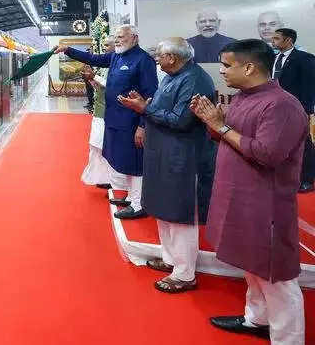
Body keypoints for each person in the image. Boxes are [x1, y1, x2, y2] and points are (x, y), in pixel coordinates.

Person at [190, 39, 306, 345]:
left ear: (250, 67)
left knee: (276, 278)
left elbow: (268, 154)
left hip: (264, 203)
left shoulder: (281, 105)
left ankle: (288, 339)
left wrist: (222, 127)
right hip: (238, 196)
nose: (223, 71)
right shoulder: (244, 97)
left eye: (228, 65)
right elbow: (231, 138)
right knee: (252, 267)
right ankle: (256, 319)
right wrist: (213, 124)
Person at [118, 38, 216, 294]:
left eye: (159, 56)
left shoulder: (195, 79)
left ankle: (184, 274)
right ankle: (171, 260)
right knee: (164, 210)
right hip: (163, 154)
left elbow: (181, 120)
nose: (157, 60)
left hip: (182, 158)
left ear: (172, 58)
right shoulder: (173, 76)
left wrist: (144, 109)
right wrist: (145, 105)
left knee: (180, 215)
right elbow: (162, 109)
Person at [56, 25, 158, 219]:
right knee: (122, 161)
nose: (117, 40)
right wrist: (67, 50)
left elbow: (150, 96)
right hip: (114, 120)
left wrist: (142, 126)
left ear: (134, 37)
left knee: (135, 163)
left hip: (131, 123)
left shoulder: (143, 60)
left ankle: (138, 204)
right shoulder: (116, 56)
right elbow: (93, 59)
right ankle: (130, 195)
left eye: (121, 37)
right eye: (116, 37)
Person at [271, 28, 315, 193]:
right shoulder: (272, 59)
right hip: (274, 108)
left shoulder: (304, 59)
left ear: (288, 40)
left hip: (297, 109)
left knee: (303, 143)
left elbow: (310, 86)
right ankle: (284, 177)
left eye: (276, 38)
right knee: (278, 141)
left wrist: (305, 110)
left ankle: (307, 179)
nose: (272, 41)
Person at [80, 36, 116, 188]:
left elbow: (114, 87)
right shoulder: (105, 65)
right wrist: (91, 80)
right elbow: (99, 88)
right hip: (99, 110)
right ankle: (103, 177)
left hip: (107, 112)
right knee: (96, 145)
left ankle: (111, 179)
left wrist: (94, 76)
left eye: (108, 45)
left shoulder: (116, 65)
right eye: (104, 45)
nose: (105, 48)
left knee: (102, 145)